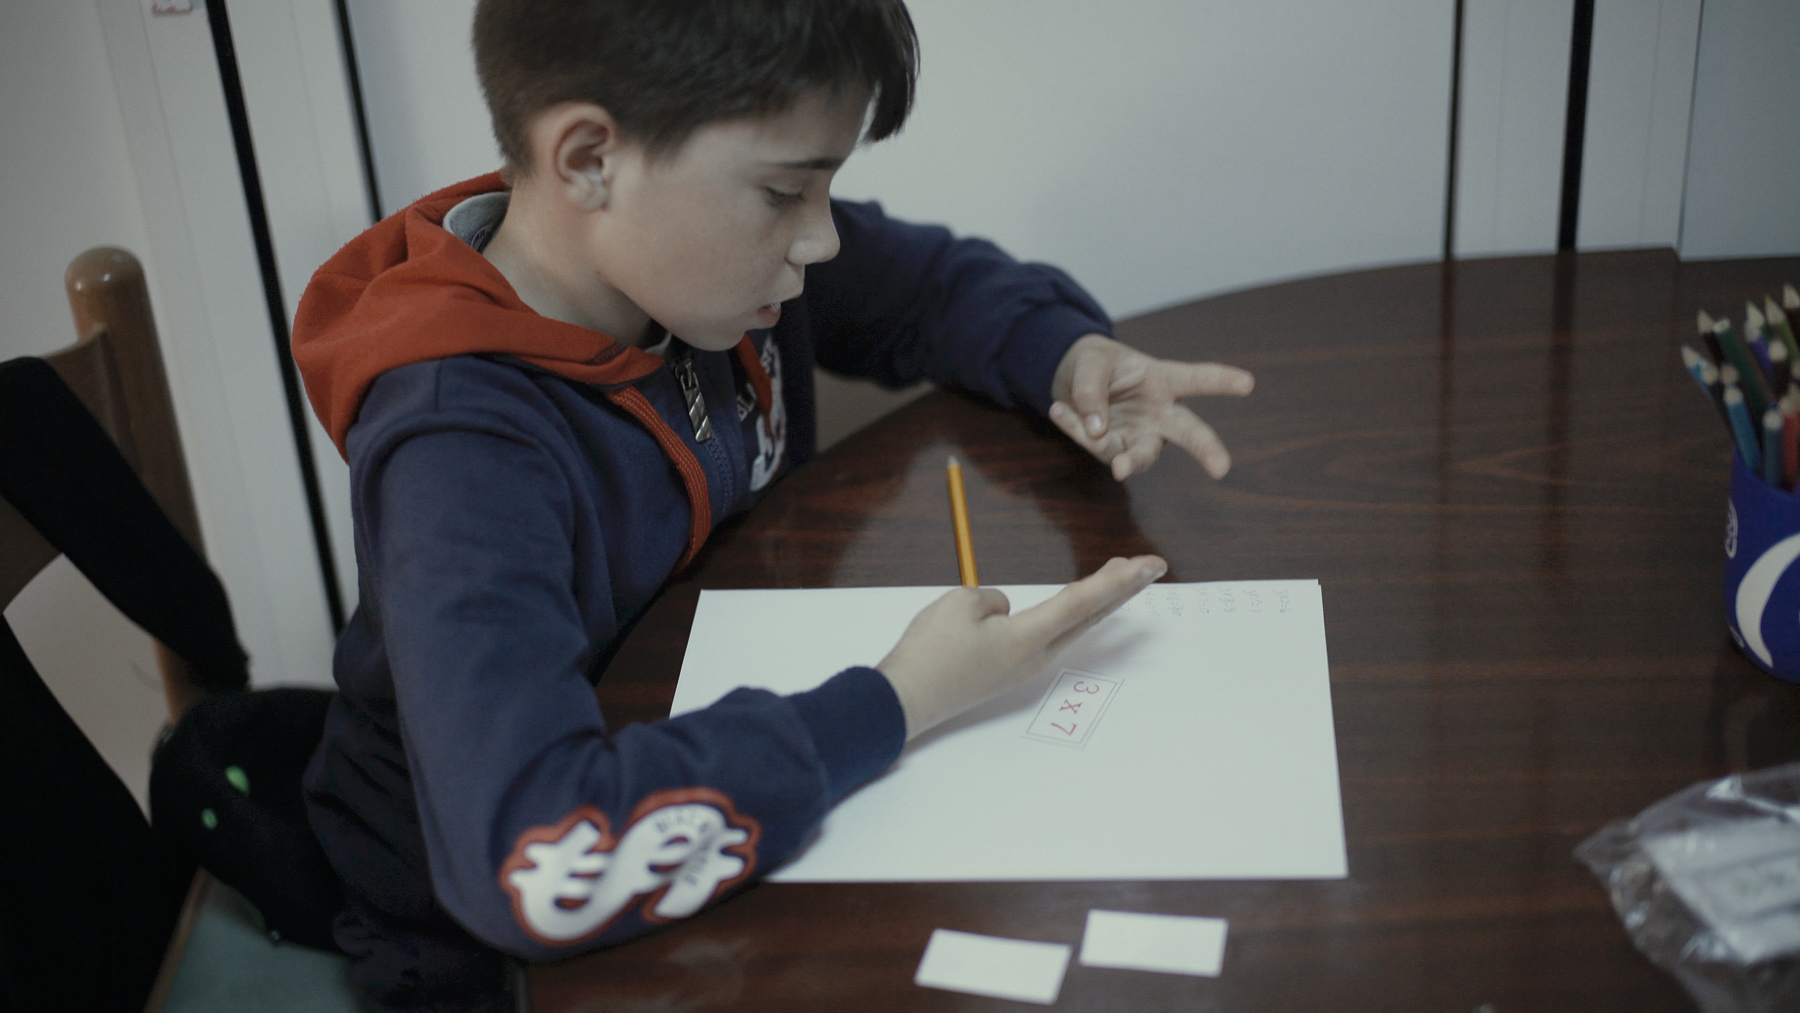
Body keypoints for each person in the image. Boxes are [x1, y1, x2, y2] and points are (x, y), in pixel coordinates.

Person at [290, 1, 1254, 1009]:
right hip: (479, 946)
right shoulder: (460, 449)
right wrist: (899, 700)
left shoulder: (690, 266)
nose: (823, 239)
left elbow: (927, 289)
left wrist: (1065, 354)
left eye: (827, 186)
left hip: (717, 756)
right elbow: (536, 855)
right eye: (786, 191)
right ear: (588, 160)